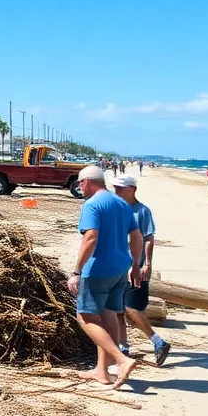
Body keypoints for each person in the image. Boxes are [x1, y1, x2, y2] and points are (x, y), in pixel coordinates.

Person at [70, 165, 142, 388]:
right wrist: (136, 265)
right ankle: (102, 371)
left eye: (80, 183)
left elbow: (91, 237)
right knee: (108, 315)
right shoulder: (121, 203)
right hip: (120, 268)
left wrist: (76, 271)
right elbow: (137, 237)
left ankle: (121, 360)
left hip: (98, 269)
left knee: (86, 318)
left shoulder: (92, 205)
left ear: (88, 182)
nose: (79, 187)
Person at [112, 175, 170, 366]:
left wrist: (146, 265)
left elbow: (148, 239)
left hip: (135, 268)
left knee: (131, 307)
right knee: (118, 308)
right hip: (118, 267)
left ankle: (158, 341)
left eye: (120, 188)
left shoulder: (142, 211)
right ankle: (123, 346)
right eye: (115, 188)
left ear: (132, 189)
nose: (117, 191)